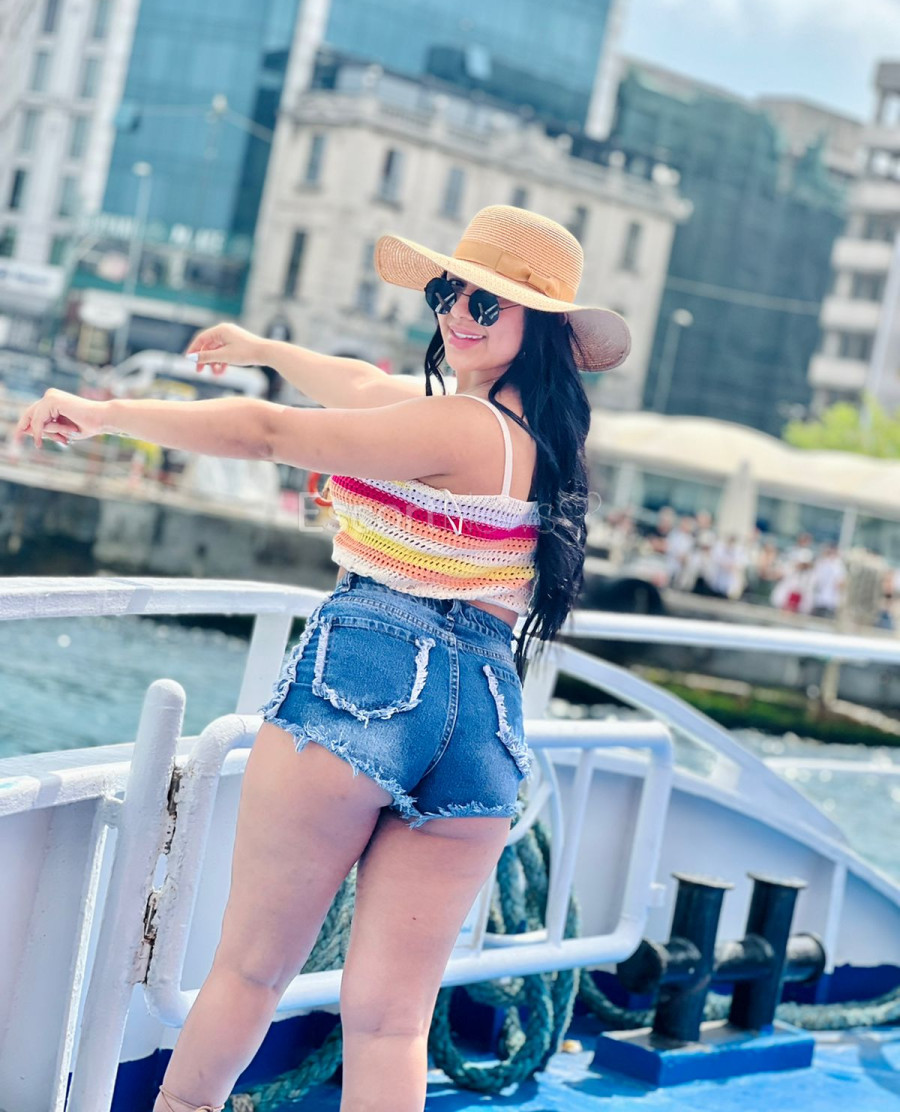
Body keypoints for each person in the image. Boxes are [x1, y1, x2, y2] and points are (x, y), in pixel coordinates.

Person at [12, 204, 631, 1112]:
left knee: (252, 971)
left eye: (485, 303)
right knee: (392, 1024)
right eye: (446, 291)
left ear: (539, 325)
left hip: (371, 678)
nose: (456, 314)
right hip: (485, 721)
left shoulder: (457, 428)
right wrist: (265, 346)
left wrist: (105, 413)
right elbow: (361, 382)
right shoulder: (538, 439)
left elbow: (268, 434)